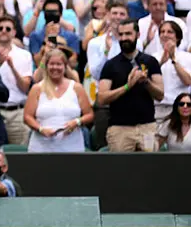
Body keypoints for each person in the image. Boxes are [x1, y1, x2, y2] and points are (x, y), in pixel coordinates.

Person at [98, 18, 165, 152]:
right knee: (120, 171)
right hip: (119, 129)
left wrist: (146, 82)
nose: (124, 38)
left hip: (147, 126)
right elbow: (101, 98)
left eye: (128, 34)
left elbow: (160, 95)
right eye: (121, 34)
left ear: (138, 35)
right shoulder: (111, 65)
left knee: (150, 170)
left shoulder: (150, 62)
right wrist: (127, 86)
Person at [24, 49, 94, 152]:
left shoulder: (76, 87)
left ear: (65, 67)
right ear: (46, 66)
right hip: (42, 147)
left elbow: (89, 115)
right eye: (51, 64)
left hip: (72, 146)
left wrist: (77, 122)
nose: (55, 67)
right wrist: (41, 129)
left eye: (59, 64)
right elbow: (27, 116)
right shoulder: (37, 88)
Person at [0, 16, 32, 145]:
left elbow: (25, 87)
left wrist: (12, 66)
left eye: (8, 28)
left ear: (14, 32)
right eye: (0, 28)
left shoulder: (24, 55)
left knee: (20, 157)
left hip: (17, 113)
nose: (4, 31)